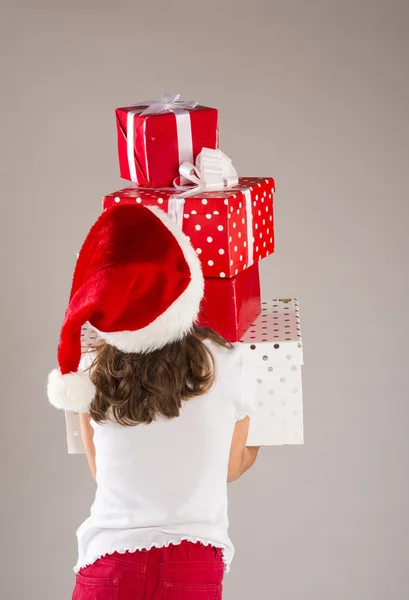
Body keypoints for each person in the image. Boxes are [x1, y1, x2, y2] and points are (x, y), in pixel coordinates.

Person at [47, 204, 260, 600]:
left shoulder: (87, 369)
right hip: (191, 562)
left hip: (106, 565)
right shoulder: (229, 361)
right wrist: (260, 440)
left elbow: (101, 471)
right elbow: (230, 466)